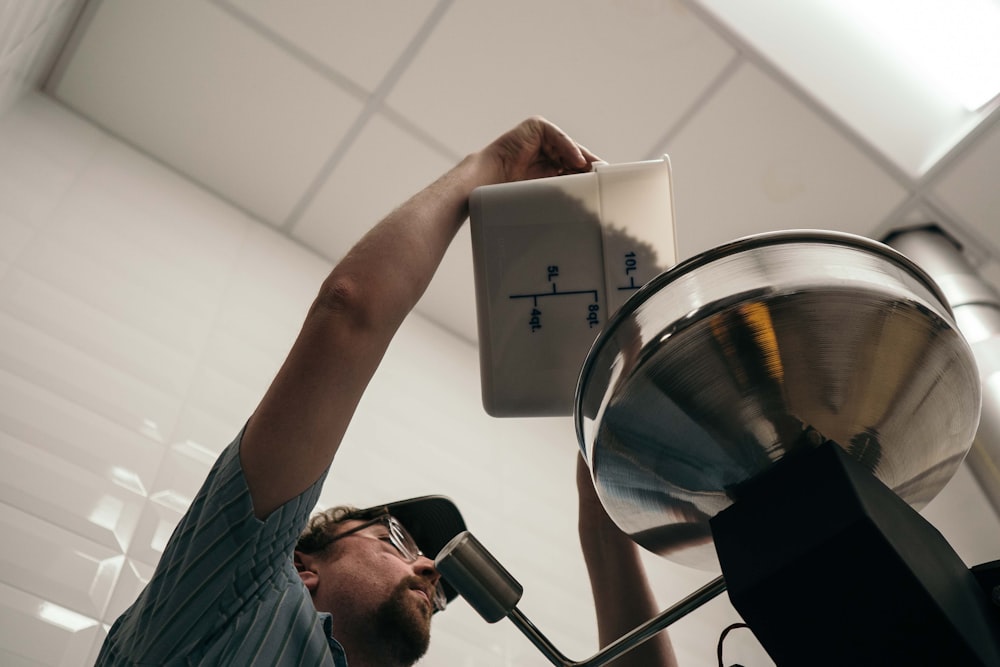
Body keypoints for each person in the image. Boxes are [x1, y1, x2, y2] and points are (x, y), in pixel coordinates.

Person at [95, 117, 677, 666]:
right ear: (302, 567)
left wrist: (602, 515)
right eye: (395, 540)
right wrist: (491, 166)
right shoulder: (235, 602)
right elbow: (348, 312)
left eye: (404, 544)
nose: (429, 568)